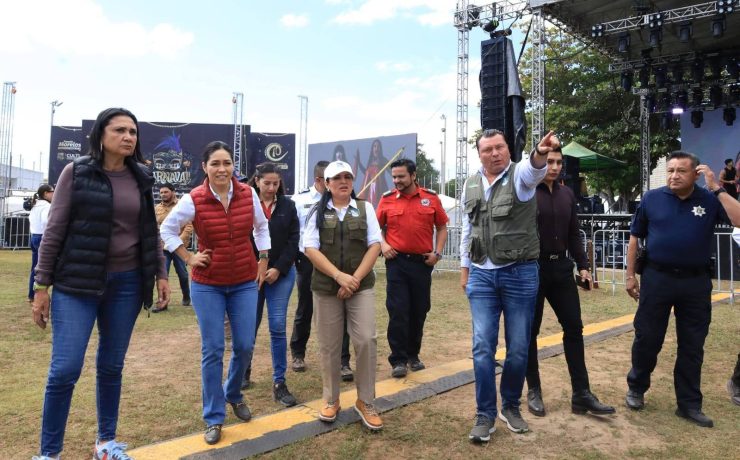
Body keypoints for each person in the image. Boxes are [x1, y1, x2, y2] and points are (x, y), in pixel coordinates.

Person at [31, 107, 170, 460]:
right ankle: (49, 454)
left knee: (111, 366)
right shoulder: (76, 172)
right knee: (65, 369)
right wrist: (41, 286)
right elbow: (55, 230)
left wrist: (161, 273)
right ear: (101, 135)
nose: (128, 137)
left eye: (133, 132)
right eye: (120, 130)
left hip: (127, 284)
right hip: (76, 284)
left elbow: (149, 230)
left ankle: (106, 444)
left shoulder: (141, 176)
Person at [160, 141, 270, 444]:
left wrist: (263, 259)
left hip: (244, 281)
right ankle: (213, 416)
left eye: (227, 163)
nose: (222, 169)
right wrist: (188, 257)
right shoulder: (194, 199)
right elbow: (166, 230)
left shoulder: (248, 194)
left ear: (233, 166)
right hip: (208, 284)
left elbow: (261, 227)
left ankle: (232, 392)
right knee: (213, 349)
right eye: (215, 164)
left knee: (245, 345)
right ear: (205, 167)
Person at [624, 152, 740, 428]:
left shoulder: (709, 200)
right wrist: (629, 275)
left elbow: (739, 220)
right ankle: (637, 388)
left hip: (695, 283)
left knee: (692, 344)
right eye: (670, 170)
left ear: (696, 174)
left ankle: (689, 404)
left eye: (681, 171)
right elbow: (635, 237)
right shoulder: (652, 198)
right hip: (657, 278)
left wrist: (717, 188)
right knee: (647, 337)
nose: (674, 176)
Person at [460, 129, 560, 443]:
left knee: (518, 347)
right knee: (482, 348)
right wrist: (465, 270)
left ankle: (511, 405)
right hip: (481, 276)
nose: (495, 153)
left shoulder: (520, 176)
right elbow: (468, 229)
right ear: (479, 154)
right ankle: (485, 414)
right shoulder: (470, 183)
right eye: (487, 149)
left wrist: (540, 152)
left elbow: (535, 170)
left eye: (500, 147)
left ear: (508, 149)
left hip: (519, 274)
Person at [525, 147, 615, 418]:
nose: (554, 167)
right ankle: (534, 390)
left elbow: (574, 233)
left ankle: (581, 394)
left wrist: (584, 267)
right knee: (530, 332)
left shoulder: (567, 194)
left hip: (562, 268)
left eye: (558, 162)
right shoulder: (526, 191)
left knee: (574, 328)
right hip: (533, 268)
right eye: (549, 162)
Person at [303, 160, 383, 431]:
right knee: (329, 345)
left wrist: (353, 280)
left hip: (360, 286)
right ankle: (331, 399)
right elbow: (310, 249)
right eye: (337, 178)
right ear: (326, 184)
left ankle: (366, 401)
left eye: (347, 177)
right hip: (326, 288)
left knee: (366, 340)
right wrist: (339, 277)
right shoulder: (316, 211)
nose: (343, 182)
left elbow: (375, 245)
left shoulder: (365, 208)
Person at [376, 158, 448, 378]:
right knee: (398, 311)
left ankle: (413, 355)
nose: (397, 180)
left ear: (413, 175)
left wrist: (437, 253)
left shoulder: (431, 198)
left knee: (419, 310)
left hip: (422, 264)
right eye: (394, 177)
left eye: (401, 176)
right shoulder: (387, 199)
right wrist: (384, 245)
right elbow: (375, 228)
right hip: (396, 263)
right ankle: (398, 359)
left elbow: (442, 227)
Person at [290, 161, 354, 381]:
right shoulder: (299, 200)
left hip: (338, 262)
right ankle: (298, 353)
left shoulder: (346, 201)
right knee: (305, 308)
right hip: (309, 261)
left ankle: (343, 361)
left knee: (342, 309)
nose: (339, 182)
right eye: (334, 178)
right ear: (321, 180)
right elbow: (294, 232)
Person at [242, 162, 299, 407]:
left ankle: (279, 382)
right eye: (267, 183)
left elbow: (294, 240)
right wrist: (255, 267)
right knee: (248, 327)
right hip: (250, 275)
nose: (272, 188)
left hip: (280, 274)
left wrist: (278, 268)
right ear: (257, 181)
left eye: (276, 183)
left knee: (277, 326)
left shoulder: (288, 206)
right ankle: (243, 371)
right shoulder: (245, 204)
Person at [153, 182, 193, 311]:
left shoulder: (182, 206)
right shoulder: (157, 208)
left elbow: (189, 226)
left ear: (173, 192)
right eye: (161, 193)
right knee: (162, 274)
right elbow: (155, 227)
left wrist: (177, 242)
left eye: (166, 192)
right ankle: (162, 302)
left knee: (183, 274)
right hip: (163, 248)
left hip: (178, 247)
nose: (163, 195)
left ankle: (186, 297)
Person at [27, 184, 54, 302]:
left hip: (34, 236)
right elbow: (46, 221)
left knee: (35, 267)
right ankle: (38, 293)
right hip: (43, 237)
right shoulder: (47, 206)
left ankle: (31, 294)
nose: (54, 194)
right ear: (45, 193)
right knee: (44, 267)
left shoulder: (35, 205)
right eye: (52, 191)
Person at [356, 139, 390, 208]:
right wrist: (359, 162)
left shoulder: (383, 160)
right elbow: (366, 173)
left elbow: (392, 171)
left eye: (378, 146)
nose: (376, 148)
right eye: (374, 146)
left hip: (380, 188)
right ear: (372, 149)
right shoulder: (370, 161)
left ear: (380, 149)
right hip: (371, 191)